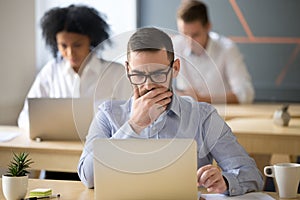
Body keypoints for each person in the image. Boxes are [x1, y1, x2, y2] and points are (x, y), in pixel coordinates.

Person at [78, 27, 263, 196]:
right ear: (127, 70)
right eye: (139, 75)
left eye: (158, 74)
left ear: (175, 69)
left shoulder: (203, 117)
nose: (148, 85)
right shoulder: (108, 114)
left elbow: (251, 174)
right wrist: (133, 126)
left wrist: (225, 182)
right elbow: (88, 177)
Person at [18, 4, 131, 180]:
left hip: (99, 162)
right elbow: (25, 117)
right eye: (63, 45)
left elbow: (131, 120)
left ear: (91, 40)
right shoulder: (51, 72)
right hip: (56, 159)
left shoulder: (115, 73)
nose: (70, 52)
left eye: (77, 44)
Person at [173, 0, 254, 104]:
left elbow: (246, 93)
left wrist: (203, 99)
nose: (189, 42)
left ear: (208, 27)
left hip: (223, 115)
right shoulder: (174, 46)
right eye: (184, 34)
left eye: (195, 35)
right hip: (188, 116)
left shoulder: (227, 49)